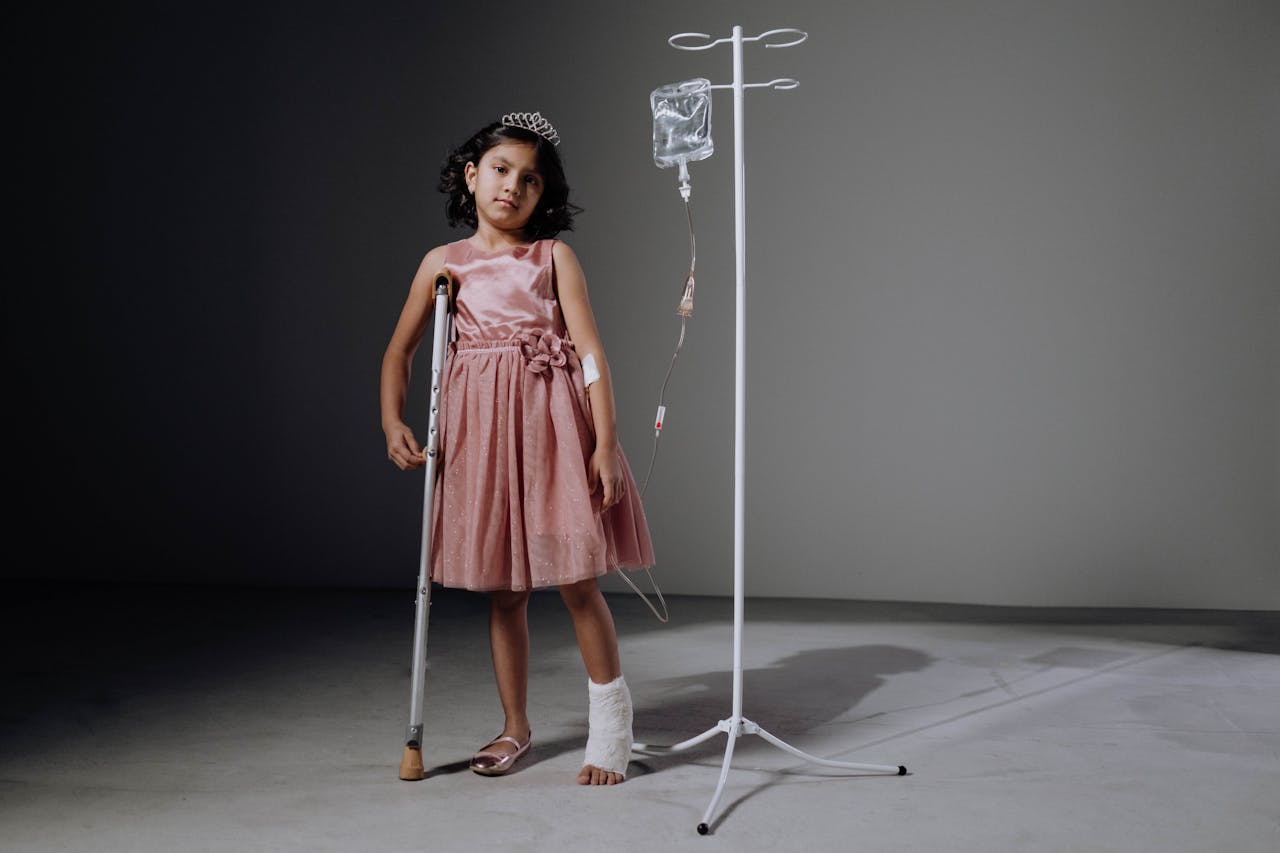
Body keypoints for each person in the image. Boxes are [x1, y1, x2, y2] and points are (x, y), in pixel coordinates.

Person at [380, 112, 655, 785]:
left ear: (543, 194)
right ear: (472, 176)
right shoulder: (442, 265)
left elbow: (590, 352)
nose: (513, 186)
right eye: (501, 170)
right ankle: (515, 725)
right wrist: (392, 421)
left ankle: (610, 727)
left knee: (575, 578)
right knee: (506, 591)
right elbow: (401, 350)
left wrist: (606, 438)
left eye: (530, 179)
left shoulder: (552, 258)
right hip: (482, 433)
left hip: (552, 426)